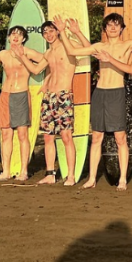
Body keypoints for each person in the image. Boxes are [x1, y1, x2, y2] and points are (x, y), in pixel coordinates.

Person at [71, 13, 132, 190]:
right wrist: (75, 32)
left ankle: (122, 180)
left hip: (116, 92)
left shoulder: (127, 45)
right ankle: (91, 178)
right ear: (105, 28)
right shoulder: (100, 46)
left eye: (116, 25)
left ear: (122, 28)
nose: (113, 28)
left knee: (120, 137)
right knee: (96, 137)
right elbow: (73, 51)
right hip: (100, 93)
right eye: (109, 25)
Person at [0, 26, 48, 181]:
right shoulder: (3, 54)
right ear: (9, 38)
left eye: (19, 34)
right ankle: (6, 171)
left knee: (23, 134)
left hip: (21, 94)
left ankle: (24, 171)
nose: (15, 37)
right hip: (5, 95)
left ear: (23, 38)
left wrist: (47, 81)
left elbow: (47, 62)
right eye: (13, 34)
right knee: (6, 134)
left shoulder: (28, 52)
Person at [34, 17, 92, 186]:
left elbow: (89, 49)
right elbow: (37, 69)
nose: (48, 34)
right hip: (49, 97)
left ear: (58, 31)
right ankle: (50, 173)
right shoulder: (49, 52)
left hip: (63, 96)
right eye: (45, 32)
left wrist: (76, 32)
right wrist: (21, 55)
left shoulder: (68, 48)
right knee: (48, 137)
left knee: (66, 136)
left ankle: (71, 176)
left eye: (51, 31)